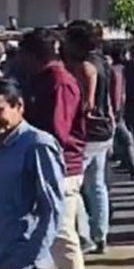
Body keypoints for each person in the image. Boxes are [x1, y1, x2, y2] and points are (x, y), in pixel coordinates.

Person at [19, 28, 86, 269]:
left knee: (61, 233)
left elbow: (57, 131)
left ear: (34, 54)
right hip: (43, 164)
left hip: (61, 168)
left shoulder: (60, 82)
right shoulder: (40, 80)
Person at [0, 79, 65, 269]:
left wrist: (30, 256)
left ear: (19, 106)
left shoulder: (37, 145)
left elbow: (52, 208)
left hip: (22, 258)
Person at [65, 22, 115, 255]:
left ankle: (85, 235)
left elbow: (87, 104)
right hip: (103, 130)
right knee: (96, 185)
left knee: (74, 185)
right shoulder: (104, 62)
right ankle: (100, 234)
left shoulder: (85, 67)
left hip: (88, 133)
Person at [108, 46, 134, 178]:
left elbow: (116, 92)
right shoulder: (121, 70)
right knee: (125, 138)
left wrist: (115, 108)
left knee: (124, 138)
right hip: (121, 108)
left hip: (116, 109)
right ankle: (132, 164)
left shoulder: (114, 70)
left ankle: (133, 165)